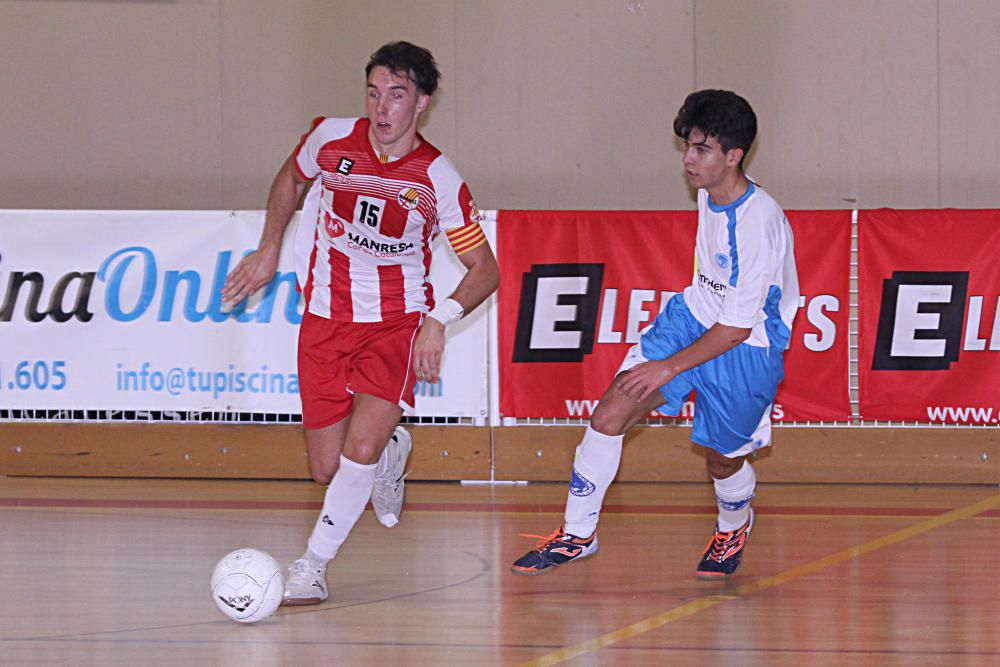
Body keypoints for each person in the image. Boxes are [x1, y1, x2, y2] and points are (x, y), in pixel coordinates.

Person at [222, 41, 499, 604]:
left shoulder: (437, 179)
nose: (381, 107)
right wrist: (270, 245)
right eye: (373, 93)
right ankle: (393, 447)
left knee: (359, 450)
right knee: (328, 469)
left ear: (421, 103)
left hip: (396, 323)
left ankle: (312, 565)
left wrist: (438, 320)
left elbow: (485, 269)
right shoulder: (331, 139)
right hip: (325, 319)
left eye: (396, 95)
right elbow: (291, 178)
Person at [511, 89, 799, 580]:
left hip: (745, 346)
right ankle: (578, 533)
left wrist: (667, 368)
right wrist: (668, 358)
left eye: (702, 149)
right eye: (688, 145)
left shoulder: (758, 223)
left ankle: (734, 524)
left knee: (722, 462)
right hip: (691, 320)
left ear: (734, 156)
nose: (688, 159)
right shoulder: (711, 191)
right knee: (609, 414)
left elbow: (736, 327)